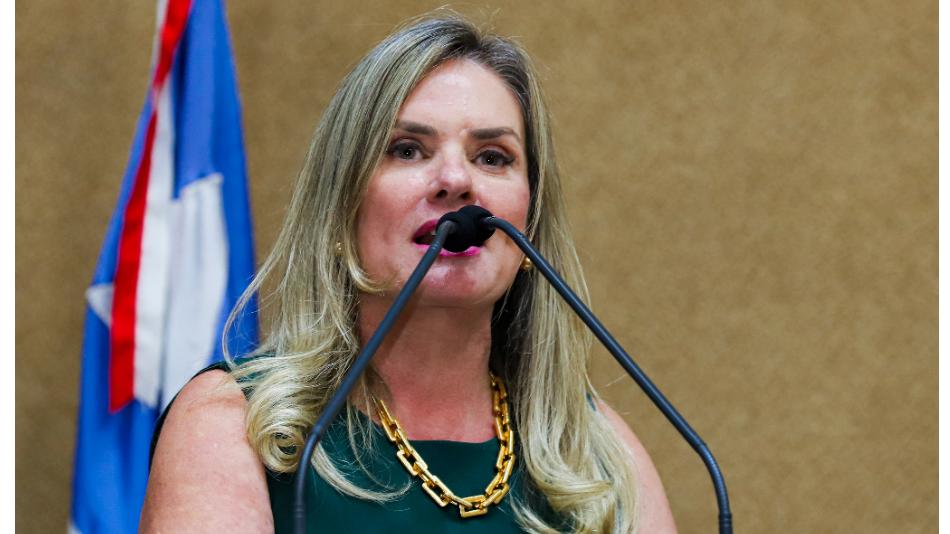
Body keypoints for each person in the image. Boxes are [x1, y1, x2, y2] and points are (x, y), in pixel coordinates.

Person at [141, 13, 677, 533]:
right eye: (408, 149)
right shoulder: (235, 423)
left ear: (529, 223)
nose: (456, 180)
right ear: (341, 209)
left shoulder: (597, 452)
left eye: (493, 157)